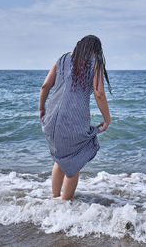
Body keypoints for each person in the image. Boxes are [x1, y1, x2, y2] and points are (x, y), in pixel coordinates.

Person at [38, 35, 111, 200]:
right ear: (95, 50)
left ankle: (55, 200)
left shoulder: (62, 59)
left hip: (51, 119)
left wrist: (41, 108)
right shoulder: (94, 63)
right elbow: (99, 93)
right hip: (72, 121)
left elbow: (45, 86)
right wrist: (107, 119)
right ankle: (65, 207)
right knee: (73, 163)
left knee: (61, 159)